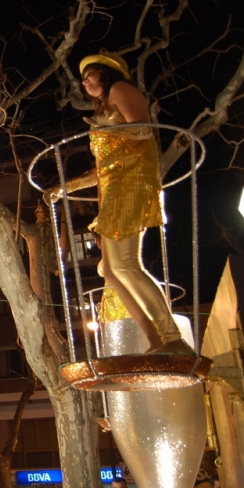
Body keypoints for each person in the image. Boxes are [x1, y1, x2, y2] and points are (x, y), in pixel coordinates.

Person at [45, 51, 193, 356]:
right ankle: (155, 339)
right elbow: (102, 170)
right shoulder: (103, 109)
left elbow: (143, 129)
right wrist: (63, 188)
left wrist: (111, 127)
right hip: (113, 192)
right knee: (112, 272)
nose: (85, 82)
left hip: (131, 185)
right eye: (82, 79)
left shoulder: (120, 90)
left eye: (89, 75)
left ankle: (173, 338)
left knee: (126, 265)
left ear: (106, 72)